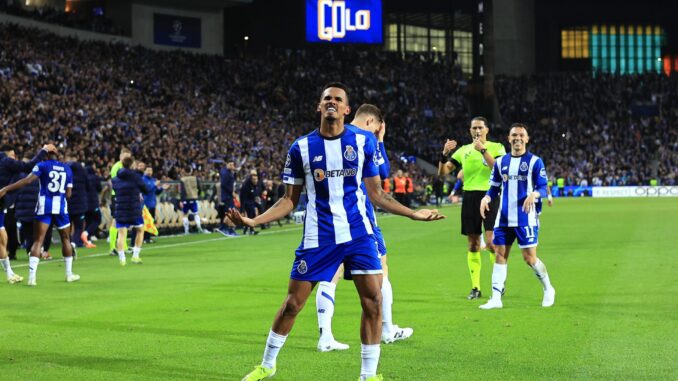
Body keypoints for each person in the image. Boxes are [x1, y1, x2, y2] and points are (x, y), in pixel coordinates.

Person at [233, 83, 445, 381]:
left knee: (373, 301)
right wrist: (255, 221)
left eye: (338, 99)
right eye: (326, 99)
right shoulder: (301, 148)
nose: (331, 102)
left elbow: (377, 194)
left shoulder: (363, 142)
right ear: (319, 107)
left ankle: (368, 375)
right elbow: (288, 200)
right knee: (293, 304)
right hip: (318, 237)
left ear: (347, 110)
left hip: (358, 234)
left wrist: (413, 213)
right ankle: (267, 365)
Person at [315, 104, 413, 354]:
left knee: (331, 274)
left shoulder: (335, 134)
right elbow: (382, 172)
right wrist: (379, 140)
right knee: (382, 270)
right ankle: (387, 329)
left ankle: (325, 335)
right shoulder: (366, 138)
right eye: (378, 128)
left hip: (330, 220)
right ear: (371, 123)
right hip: (361, 220)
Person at [478, 123, 556, 309]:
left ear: (527, 139)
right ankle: (496, 298)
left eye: (521, 135)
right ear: (509, 138)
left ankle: (548, 289)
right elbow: (494, 186)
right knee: (500, 254)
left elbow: (543, 188)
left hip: (526, 217)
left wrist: (534, 194)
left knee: (529, 258)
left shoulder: (535, 162)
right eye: (514, 135)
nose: (518, 138)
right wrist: (486, 197)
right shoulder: (500, 162)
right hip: (503, 217)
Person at [438, 117, 506, 300]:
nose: (477, 130)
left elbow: (498, 169)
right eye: (474, 128)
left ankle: (498, 282)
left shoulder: (497, 147)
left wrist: (483, 150)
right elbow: (443, 172)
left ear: (487, 130)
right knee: (473, 243)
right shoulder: (463, 151)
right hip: (470, 198)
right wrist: (444, 154)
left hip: (490, 196)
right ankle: (475, 287)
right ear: (470, 130)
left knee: (491, 242)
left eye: (480, 127)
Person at [0, 148, 79, 286]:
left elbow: (28, 180)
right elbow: (69, 194)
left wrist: (6, 188)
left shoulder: (42, 165)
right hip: (60, 207)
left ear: (46, 156)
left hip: (44, 206)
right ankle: (69, 274)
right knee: (66, 239)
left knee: (38, 240)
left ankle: (32, 278)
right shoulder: (67, 168)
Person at [0, 143, 53, 284]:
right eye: (12, 156)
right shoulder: (6, 161)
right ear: (6, 155)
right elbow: (28, 167)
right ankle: (9, 273)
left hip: (1, 206)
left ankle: (9, 273)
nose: (14, 158)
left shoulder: (8, 168)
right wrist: (43, 151)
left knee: (2, 238)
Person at [112, 157, 149, 265]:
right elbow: (145, 189)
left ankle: (122, 259)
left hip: (120, 209)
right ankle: (135, 256)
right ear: (132, 165)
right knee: (140, 230)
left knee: (121, 233)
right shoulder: (136, 178)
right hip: (134, 209)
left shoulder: (115, 179)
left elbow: (116, 190)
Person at [107, 148, 132, 255]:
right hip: (117, 196)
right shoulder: (117, 167)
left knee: (123, 221)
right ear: (120, 156)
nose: (126, 158)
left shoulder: (124, 167)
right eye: (125, 156)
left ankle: (124, 246)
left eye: (128, 157)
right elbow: (117, 183)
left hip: (123, 196)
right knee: (115, 221)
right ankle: (112, 247)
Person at [66, 154, 89, 248]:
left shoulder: (65, 172)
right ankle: (75, 243)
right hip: (80, 204)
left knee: (67, 226)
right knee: (79, 226)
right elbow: (88, 186)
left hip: (67, 203)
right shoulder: (83, 172)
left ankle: (68, 243)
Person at [142, 165, 168, 243]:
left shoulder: (153, 180)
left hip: (152, 203)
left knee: (151, 221)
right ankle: (143, 238)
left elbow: (156, 192)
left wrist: (162, 188)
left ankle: (148, 238)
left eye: (151, 170)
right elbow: (146, 190)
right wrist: (155, 185)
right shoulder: (143, 180)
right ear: (145, 171)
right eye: (148, 170)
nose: (149, 172)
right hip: (145, 204)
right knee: (145, 222)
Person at [82, 163, 103, 248]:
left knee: (88, 221)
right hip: (93, 202)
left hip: (84, 203)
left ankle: (87, 240)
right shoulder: (95, 178)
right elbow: (99, 189)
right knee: (97, 219)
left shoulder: (83, 178)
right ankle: (86, 233)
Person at [179, 169, 205, 234]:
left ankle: (186, 231)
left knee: (185, 215)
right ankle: (199, 227)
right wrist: (197, 195)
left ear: (184, 172)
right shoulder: (195, 179)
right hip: (194, 198)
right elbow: (200, 188)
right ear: (191, 171)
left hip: (186, 200)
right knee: (196, 213)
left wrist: (182, 200)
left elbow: (182, 191)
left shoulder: (182, 179)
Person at [217, 161, 238, 236]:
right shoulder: (226, 173)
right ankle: (225, 228)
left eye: (233, 164)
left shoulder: (228, 172)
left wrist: (235, 172)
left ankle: (226, 228)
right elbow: (223, 185)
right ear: (227, 165)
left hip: (227, 196)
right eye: (230, 164)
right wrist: (231, 191)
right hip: (227, 196)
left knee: (230, 213)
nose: (232, 166)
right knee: (230, 213)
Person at [239, 170, 261, 236]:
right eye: (254, 179)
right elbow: (242, 197)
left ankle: (246, 230)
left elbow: (255, 194)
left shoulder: (254, 186)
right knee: (251, 216)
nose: (256, 181)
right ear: (251, 179)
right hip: (246, 203)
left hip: (251, 202)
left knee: (252, 216)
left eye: (256, 179)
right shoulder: (246, 186)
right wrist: (242, 208)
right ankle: (251, 231)